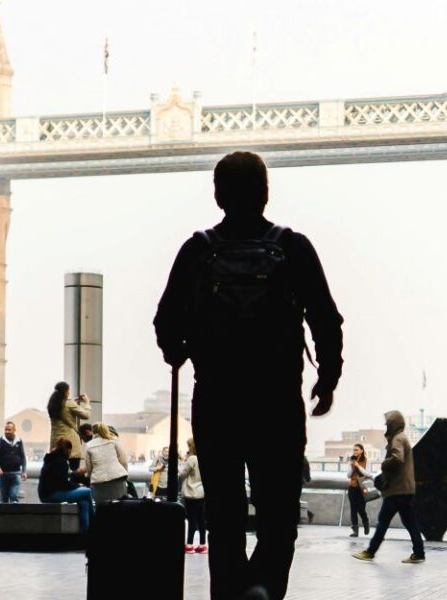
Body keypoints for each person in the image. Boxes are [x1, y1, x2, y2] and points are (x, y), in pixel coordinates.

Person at [155, 150, 345, 600]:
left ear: (218, 195)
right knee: (278, 512)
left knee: (224, 515)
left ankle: (230, 595)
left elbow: (165, 320)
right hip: (277, 402)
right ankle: (261, 587)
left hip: (217, 401)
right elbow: (326, 318)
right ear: (265, 192)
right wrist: (327, 377)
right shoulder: (292, 246)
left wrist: (178, 351)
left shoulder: (198, 249)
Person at [356, 411, 423, 564]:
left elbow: (397, 458)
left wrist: (384, 464)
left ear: (394, 424)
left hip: (396, 490)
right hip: (406, 489)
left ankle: (370, 551)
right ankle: (419, 553)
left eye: (388, 424)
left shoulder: (398, 438)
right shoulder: (403, 437)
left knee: (383, 521)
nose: (386, 426)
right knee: (410, 522)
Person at [37, 436, 94, 535]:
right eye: (70, 450)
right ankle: (95, 525)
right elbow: (62, 484)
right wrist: (77, 486)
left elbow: (59, 481)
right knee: (87, 491)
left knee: (84, 502)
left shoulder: (51, 459)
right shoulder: (61, 462)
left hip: (46, 493)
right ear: (68, 449)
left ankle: (86, 533)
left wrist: (75, 484)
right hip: (52, 494)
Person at [46, 383, 90, 476]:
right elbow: (86, 415)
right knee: (74, 472)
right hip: (70, 443)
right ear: (66, 391)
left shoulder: (52, 404)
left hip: (56, 443)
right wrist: (87, 403)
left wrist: (73, 403)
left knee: (57, 472)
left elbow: (63, 410)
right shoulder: (69, 404)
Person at [84, 422, 132, 503]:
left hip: (99, 482)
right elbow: (123, 460)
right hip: (118, 478)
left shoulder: (89, 445)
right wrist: (125, 473)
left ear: (93, 432)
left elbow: (89, 467)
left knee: (102, 509)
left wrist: (91, 477)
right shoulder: (113, 441)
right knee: (120, 507)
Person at [181, 438, 208, 554]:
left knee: (191, 520)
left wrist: (184, 461)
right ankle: (202, 545)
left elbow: (182, 474)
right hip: (201, 493)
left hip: (191, 494)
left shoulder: (192, 459)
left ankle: (190, 544)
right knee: (201, 520)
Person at [0, 421, 27, 504]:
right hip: (3, 475)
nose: (7, 431)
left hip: (16, 474)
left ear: (14, 430)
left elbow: (23, 457)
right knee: (4, 499)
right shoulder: (0, 441)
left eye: (9, 430)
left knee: (14, 496)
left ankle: (13, 515)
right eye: (6, 429)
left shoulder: (19, 441)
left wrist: (24, 471)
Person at [347, 444, 372, 537]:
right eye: (354, 450)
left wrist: (358, 466)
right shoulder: (351, 461)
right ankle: (355, 531)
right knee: (353, 509)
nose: (355, 452)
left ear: (361, 450)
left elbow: (368, 473)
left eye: (357, 450)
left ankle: (366, 523)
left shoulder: (366, 460)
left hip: (362, 488)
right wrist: (352, 467)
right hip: (352, 487)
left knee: (361, 509)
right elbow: (348, 475)